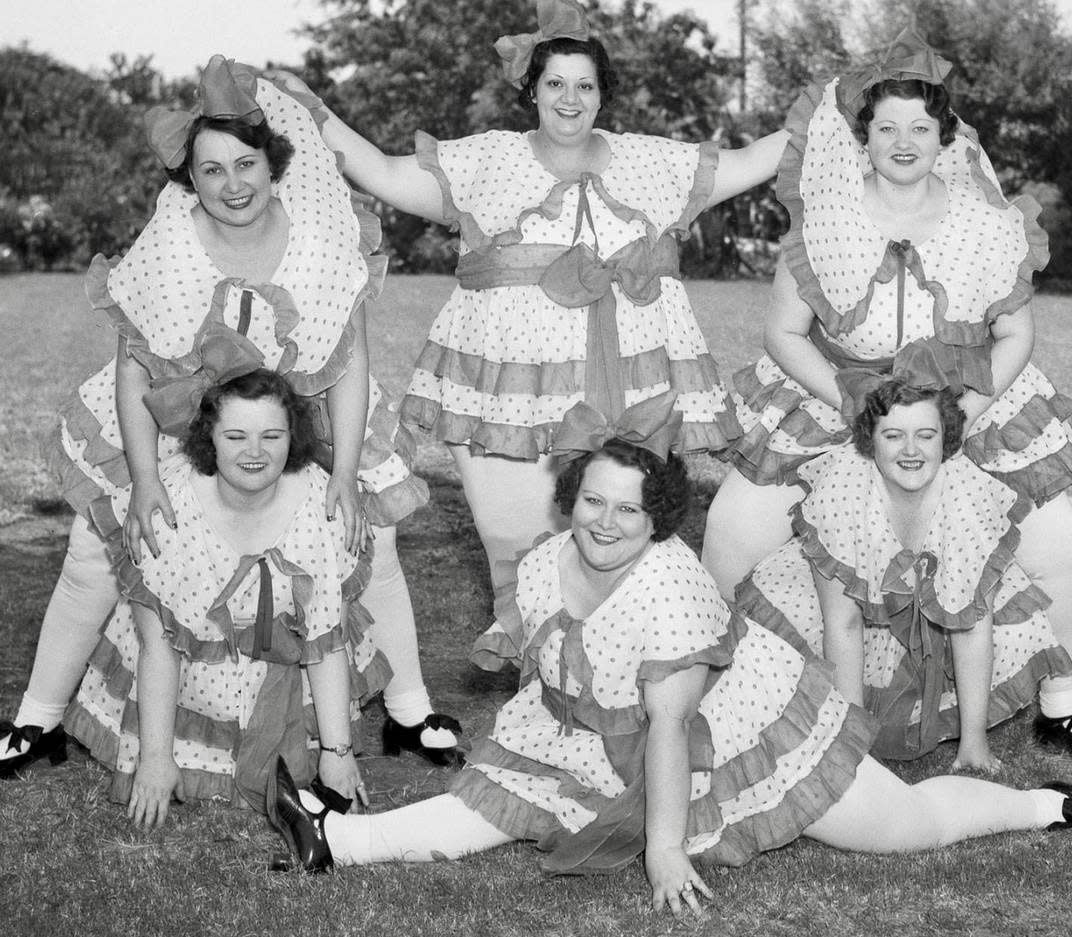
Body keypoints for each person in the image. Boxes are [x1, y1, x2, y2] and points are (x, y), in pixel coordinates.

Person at [263, 397, 1072, 915]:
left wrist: (664, 849)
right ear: (570, 498)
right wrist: (561, 749)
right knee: (499, 800)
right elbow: (555, 667)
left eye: (629, 513)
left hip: (736, 722)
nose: (604, 523)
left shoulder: (671, 587)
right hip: (595, 721)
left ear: (659, 522)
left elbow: (674, 724)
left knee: (905, 830)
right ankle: (335, 836)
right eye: (591, 502)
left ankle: (1050, 807)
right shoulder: (542, 562)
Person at [1, 55, 461, 779]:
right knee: (97, 546)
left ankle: (409, 707)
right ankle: (40, 715)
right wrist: (146, 477)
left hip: (301, 413)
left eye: (246, 164)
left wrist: (343, 473)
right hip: (184, 412)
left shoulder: (319, 236)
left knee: (369, 540)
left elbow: (349, 362)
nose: (233, 185)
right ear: (189, 178)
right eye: (211, 171)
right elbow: (133, 368)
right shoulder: (171, 241)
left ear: (274, 162)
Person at [267, 0, 789, 593]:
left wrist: (834, 109)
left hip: (633, 383)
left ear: (602, 94)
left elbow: (750, 161)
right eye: (556, 83)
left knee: (628, 549)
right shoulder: (487, 160)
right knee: (515, 554)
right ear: (533, 91)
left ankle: (620, 673)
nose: (570, 98)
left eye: (585, 85)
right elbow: (385, 173)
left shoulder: (653, 161)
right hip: (509, 389)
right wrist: (313, 106)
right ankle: (533, 671)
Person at [701, 29, 1072, 759]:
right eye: (886, 127)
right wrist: (849, 398)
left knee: (1056, 537)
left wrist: (962, 418)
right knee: (736, 521)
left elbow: (1015, 336)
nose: (904, 140)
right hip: (844, 391)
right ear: (865, 137)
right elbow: (783, 335)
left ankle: (1062, 700)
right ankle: (715, 679)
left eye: (920, 126)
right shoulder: (825, 220)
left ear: (944, 134)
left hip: (970, 395)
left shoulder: (986, 222)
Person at [66, 371, 382, 826]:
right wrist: (156, 759)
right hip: (191, 665)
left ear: (294, 437)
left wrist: (338, 753)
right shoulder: (170, 507)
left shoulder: (322, 505)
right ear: (208, 439)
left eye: (272, 435)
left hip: (290, 663)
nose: (254, 452)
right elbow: (160, 647)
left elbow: (325, 642)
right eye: (235, 436)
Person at [736, 378, 1072, 770]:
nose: (911, 450)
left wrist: (974, 744)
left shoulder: (968, 496)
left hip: (937, 605)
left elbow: (970, 627)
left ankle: (955, 723)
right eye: (893, 435)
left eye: (925, 435)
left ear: (945, 440)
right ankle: (843, 728)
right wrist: (853, 746)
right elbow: (843, 625)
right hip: (852, 608)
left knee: (1012, 630)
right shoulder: (842, 489)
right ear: (869, 440)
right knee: (794, 631)